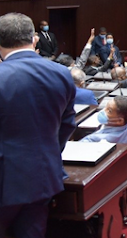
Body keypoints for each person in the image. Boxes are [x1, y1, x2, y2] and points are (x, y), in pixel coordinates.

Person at [0, 13, 76, 238]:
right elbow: (67, 125)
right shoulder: (61, 73)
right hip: (44, 174)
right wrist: (48, 153)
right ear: (34, 39)